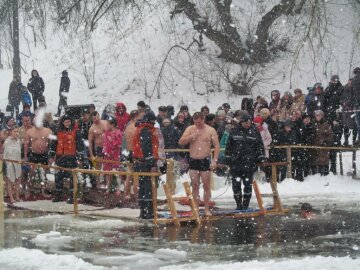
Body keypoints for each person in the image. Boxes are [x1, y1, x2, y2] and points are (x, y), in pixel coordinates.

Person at [179, 112, 220, 216]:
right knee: (195, 185)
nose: (198, 124)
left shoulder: (210, 130)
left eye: (200, 122)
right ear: (193, 121)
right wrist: (190, 137)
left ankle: (206, 208)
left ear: (203, 120)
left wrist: (214, 160)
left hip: (205, 160)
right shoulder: (190, 129)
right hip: (193, 160)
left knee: (206, 186)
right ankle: (196, 209)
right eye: (196, 122)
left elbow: (216, 146)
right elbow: (181, 141)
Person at [223, 114, 265, 210]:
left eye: (249, 122)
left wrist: (261, 157)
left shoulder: (255, 131)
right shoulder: (234, 131)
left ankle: (246, 204)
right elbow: (229, 147)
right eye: (246, 123)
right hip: (236, 163)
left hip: (249, 163)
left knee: (248, 184)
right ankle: (238, 204)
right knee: (236, 185)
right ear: (241, 122)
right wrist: (228, 159)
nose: (248, 124)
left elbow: (259, 146)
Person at [49, 115, 84, 203]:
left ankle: (72, 196)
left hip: (71, 157)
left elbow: (80, 146)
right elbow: (53, 145)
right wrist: (51, 157)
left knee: (72, 176)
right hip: (60, 157)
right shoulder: (57, 132)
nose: (67, 124)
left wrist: (80, 158)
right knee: (58, 176)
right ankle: (58, 195)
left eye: (69, 122)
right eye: (65, 122)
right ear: (62, 123)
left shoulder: (76, 132)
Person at [132, 110, 159, 219]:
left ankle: (143, 212)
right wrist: (152, 163)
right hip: (145, 163)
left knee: (143, 187)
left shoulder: (140, 128)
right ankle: (149, 213)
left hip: (139, 162)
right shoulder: (146, 131)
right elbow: (147, 148)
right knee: (148, 188)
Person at [23, 114, 53, 197]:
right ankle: (28, 190)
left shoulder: (48, 131)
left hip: (44, 154)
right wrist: (25, 157)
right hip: (33, 154)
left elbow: (52, 145)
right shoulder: (30, 131)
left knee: (44, 174)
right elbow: (26, 145)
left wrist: (51, 157)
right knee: (31, 174)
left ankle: (43, 191)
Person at [102, 118, 122, 194]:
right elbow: (104, 143)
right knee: (107, 172)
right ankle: (108, 188)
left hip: (115, 155)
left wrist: (112, 142)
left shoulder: (118, 132)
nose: (107, 126)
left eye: (108, 124)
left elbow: (119, 144)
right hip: (107, 155)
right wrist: (106, 151)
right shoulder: (107, 133)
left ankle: (118, 188)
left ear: (113, 125)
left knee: (116, 171)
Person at [88, 111, 108, 187]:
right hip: (99, 147)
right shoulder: (92, 128)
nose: (95, 119)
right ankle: (98, 184)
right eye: (93, 118)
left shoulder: (106, 122)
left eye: (96, 117)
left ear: (99, 116)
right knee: (98, 167)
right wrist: (91, 154)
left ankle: (107, 183)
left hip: (107, 147)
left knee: (107, 166)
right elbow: (90, 142)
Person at [123, 110, 140, 199]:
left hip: (129, 152)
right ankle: (136, 195)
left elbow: (125, 141)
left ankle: (126, 194)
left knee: (129, 174)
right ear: (135, 117)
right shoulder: (136, 127)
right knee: (136, 174)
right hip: (136, 152)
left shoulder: (128, 127)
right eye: (139, 117)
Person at [3, 127, 22, 203]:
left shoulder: (18, 141)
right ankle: (11, 198)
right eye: (15, 131)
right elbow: (5, 154)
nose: (16, 133)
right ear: (11, 132)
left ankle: (17, 197)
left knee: (18, 180)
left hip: (17, 163)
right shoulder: (7, 141)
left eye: (17, 131)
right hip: (9, 163)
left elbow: (19, 153)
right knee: (10, 181)